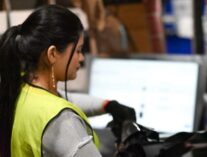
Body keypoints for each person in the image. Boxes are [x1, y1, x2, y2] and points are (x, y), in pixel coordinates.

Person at [0, 5, 135, 157]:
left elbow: (64, 98)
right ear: (52, 54)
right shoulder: (63, 122)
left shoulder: (18, 88)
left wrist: (107, 105)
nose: (82, 58)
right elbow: (59, 108)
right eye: (78, 50)